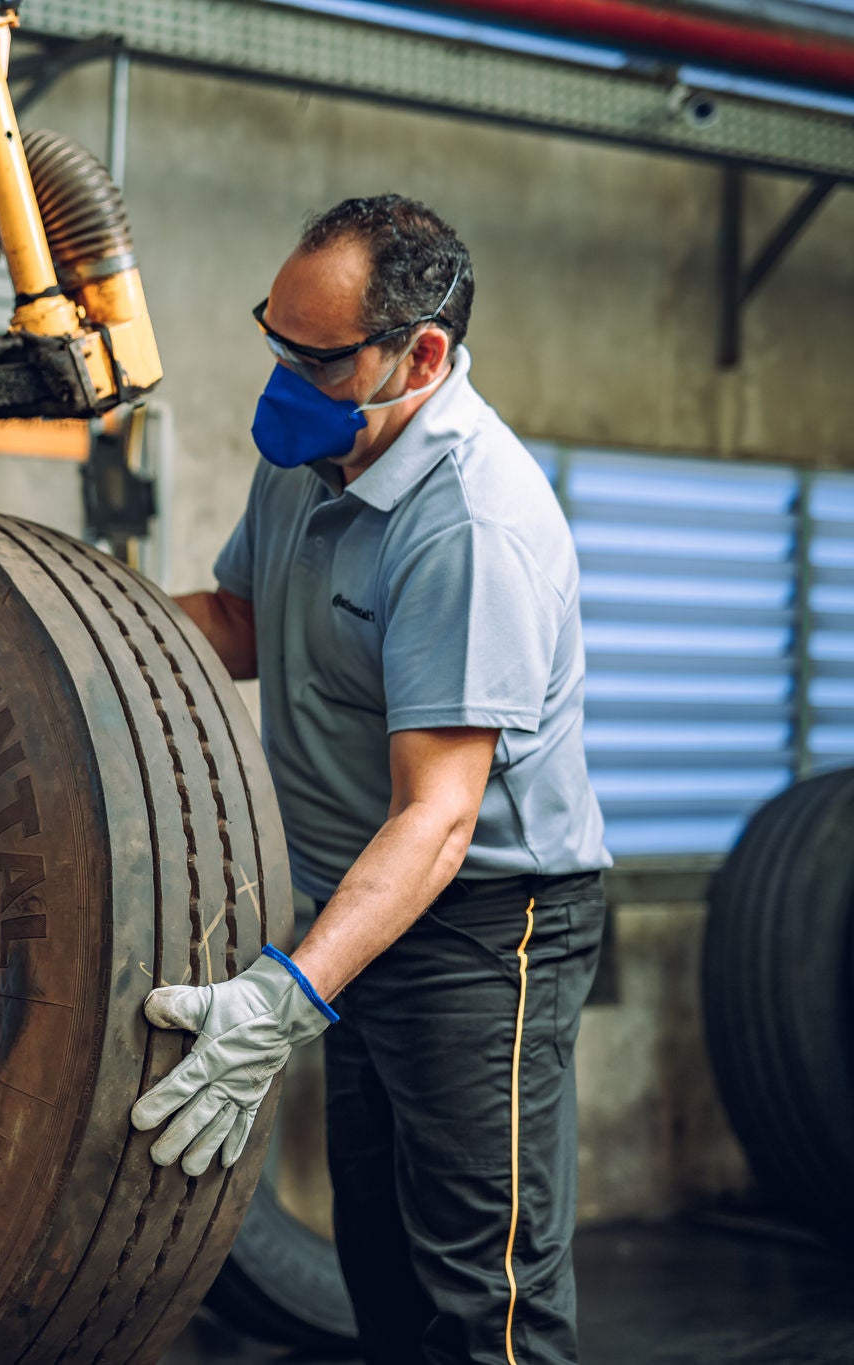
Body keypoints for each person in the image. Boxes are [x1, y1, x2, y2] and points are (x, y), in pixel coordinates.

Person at [130, 195, 611, 1365]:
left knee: (478, 1289)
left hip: (483, 929)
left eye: (317, 358)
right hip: (369, 906)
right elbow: (239, 622)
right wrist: (76, 621)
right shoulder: (309, 457)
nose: (284, 377)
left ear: (421, 354)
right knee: (380, 1271)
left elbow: (438, 818)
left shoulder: (469, 526)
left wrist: (284, 998)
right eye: (274, 340)